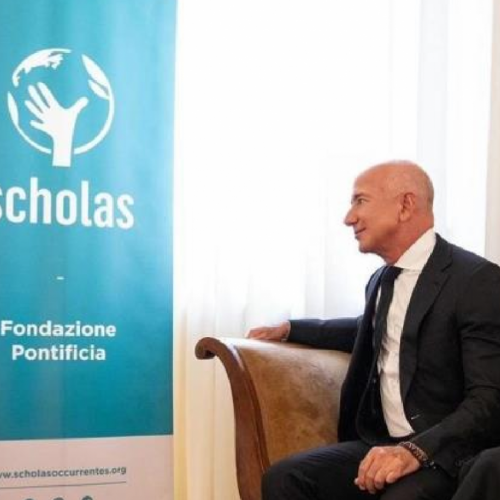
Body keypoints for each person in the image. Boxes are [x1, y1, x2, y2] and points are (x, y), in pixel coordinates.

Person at [248, 160, 500, 500]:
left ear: (405, 205)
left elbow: (489, 399)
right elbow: (367, 330)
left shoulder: (476, 281)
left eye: (360, 200)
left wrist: (415, 451)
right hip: (380, 442)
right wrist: (291, 329)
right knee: (285, 479)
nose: (349, 217)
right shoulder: (381, 280)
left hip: (445, 452)